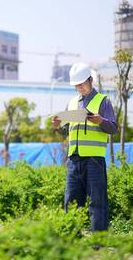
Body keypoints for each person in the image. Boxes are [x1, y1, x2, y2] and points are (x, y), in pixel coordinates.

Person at [52, 62, 117, 232]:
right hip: (73, 160)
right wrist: (58, 125)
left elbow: (113, 128)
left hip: (94, 160)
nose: (79, 88)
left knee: (97, 202)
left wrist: (101, 121)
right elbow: (68, 129)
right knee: (71, 201)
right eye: (76, 85)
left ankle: (98, 242)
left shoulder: (103, 101)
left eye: (81, 84)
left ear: (90, 80)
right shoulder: (72, 103)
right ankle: (72, 239)